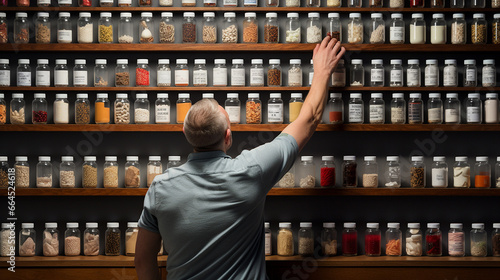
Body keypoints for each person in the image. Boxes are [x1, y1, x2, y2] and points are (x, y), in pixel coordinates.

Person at [135, 36, 346, 280]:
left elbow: (142, 259)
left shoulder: (160, 187)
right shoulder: (252, 169)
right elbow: (309, 118)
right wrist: (322, 71)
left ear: (186, 134)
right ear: (228, 136)